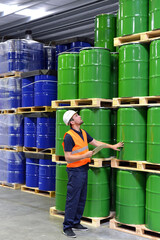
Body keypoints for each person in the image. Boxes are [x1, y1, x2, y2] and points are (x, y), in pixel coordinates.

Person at [62, 110, 123, 238]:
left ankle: (76, 222)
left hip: (84, 169)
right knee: (73, 199)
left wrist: (112, 146)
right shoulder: (68, 136)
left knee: (81, 198)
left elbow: (96, 143)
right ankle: (67, 227)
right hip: (75, 171)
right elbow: (68, 157)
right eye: (76, 116)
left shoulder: (83, 133)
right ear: (72, 122)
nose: (79, 116)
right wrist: (86, 155)